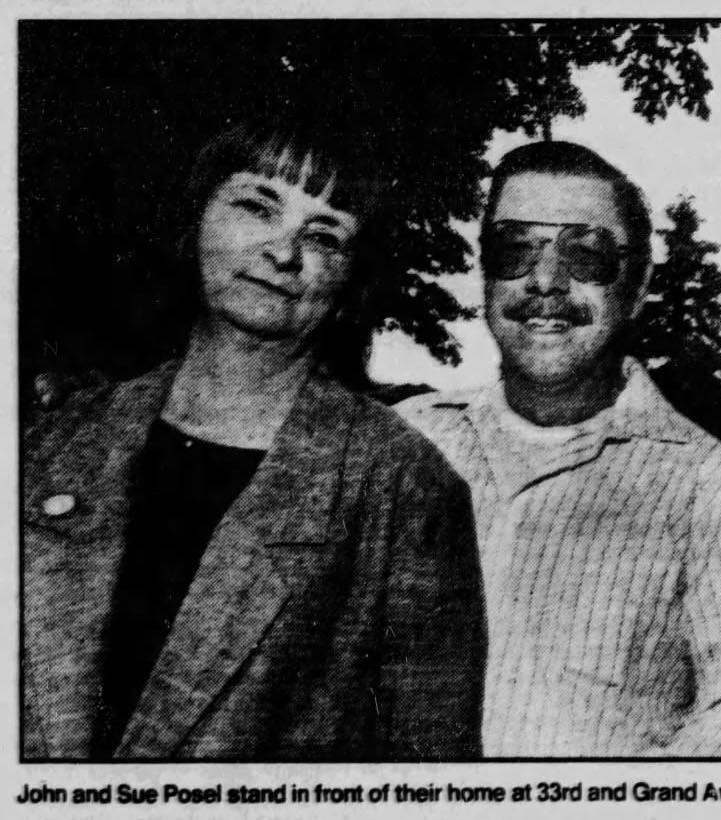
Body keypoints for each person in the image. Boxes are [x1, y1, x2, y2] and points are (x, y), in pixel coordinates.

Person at [22, 118, 486, 760]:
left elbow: (428, 764)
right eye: (255, 206)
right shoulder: (58, 442)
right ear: (195, 221)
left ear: (351, 279)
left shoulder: (405, 486)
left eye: (323, 236)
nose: (283, 253)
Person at [396, 141, 721, 756]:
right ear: (484, 275)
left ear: (636, 289)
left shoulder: (705, 485)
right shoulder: (407, 440)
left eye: (586, 254)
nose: (546, 281)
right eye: (515, 249)